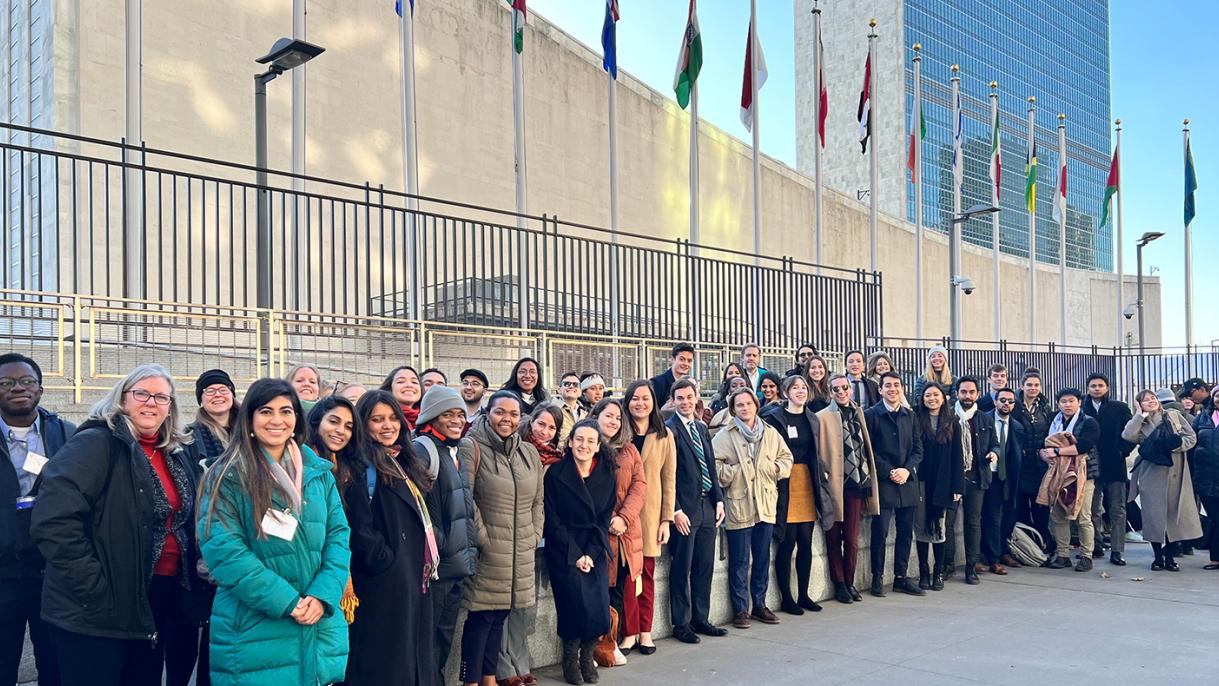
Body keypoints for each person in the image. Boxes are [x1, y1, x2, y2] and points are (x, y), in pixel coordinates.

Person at [33, 365, 209, 686]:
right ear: (122, 399)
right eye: (141, 393)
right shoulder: (96, 443)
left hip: (153, 600)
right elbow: (53, 519)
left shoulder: (171, 452)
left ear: (170, 407)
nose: (151, 403)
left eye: (161, 397)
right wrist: (94, 587)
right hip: (99, 606)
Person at [195, 377, 350, 686]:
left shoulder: (318, 473)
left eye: (286, 411)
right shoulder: (227, 474)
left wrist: (321, 596)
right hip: (256, 628)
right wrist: (288, 602)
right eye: (266, 411)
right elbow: (224, 552)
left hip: (318, 625)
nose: (277, 420)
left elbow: (339, 538)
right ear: (250, 418)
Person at [340, 390, 437, 686]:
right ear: (363, 424)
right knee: (386, 663)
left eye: (393, 418)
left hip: (411, 577)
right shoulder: (359, 465)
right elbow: (359, 526)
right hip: (384, 582)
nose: (388, 425)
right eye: (377, 419)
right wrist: (387, 561)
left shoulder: (401, 460)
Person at [0, 353, 74, 686]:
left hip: (52, 571)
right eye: (6, 382)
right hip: (3, 573)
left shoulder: (66, 434)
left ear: (41, 390)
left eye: (27, 381)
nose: (18, 388)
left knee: (56, 665)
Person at [462, 391, 544, 686]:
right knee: (480, 618)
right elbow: (465, 498)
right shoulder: (470, 447)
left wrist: (534, 534)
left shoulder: (529, 453)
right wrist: (483, 537)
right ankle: (469, 680)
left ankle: (489, 678)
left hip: (520, 549)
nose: (506, 419)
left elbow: (538, 501)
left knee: (500, 617)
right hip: (489, 550)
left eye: (513, 414)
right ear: (488, 413)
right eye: (500, 412)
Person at [544, 421, 617, 685]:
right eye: (579, 439)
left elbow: (605, 517)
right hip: (565, 547)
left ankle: (587, 657)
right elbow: (552, 520)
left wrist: (590, 553)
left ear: (598, 446)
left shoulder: (607, 474)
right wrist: (576, 554)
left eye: (590, 441)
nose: (584, 446)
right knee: (572, 605)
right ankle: (570, 660)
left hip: (594, 546)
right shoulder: (556, 474)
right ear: (570, 442)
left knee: (597, 606)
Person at [414, 387, 478, 686]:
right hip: (437, 568)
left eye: (459, 414)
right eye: (447, 414)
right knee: (428, 642)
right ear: (431, 417)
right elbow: (418, 510)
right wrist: (442, 542)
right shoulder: (422, 450)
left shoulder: (455, 451)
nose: (455, 420)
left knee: (443, 639)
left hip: (456, 566)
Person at [715, 389, 792, 628]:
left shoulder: (770, 432)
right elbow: (713, 465)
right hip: (739, 504)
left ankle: (760, 604)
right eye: (739, 405)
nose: (745, 408)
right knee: (739, 561)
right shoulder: (724, 435)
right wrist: (736, 472)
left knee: (762, 557)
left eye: (748, 403)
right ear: (733, 409)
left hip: (765, 504)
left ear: (756, 406)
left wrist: (773, 469)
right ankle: (741, 609)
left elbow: (786, 459)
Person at [762, 375, 830, 614]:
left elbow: (816, 451)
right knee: (786, 542)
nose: (800, 391)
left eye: (803, 387)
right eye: (795, 388)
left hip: (806, 482)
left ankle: (803, 594)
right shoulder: (772, 417)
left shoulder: (812, 418)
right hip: (785, 482)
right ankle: (786, 598)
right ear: (786, 392)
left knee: (805, 541)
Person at [665, 380, 726, 645]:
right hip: (685, 509)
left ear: (697, 398)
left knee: (704, 565)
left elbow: (710, 466)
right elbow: (667, 474)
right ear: (673, 400)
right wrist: (675, 509)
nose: (686, 402)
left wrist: (719, 500)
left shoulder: (701, 427)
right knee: (682, 566)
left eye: (690, 397)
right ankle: (681, 623)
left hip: (707, 506)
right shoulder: (670, 430)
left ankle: (701, 618)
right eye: (680, 398)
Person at [816, 375, 880, 604]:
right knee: (833, 537)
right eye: (836, 389)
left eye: (845, 388)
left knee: (852, 539)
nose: (842, 392)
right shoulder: (822, 417)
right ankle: (840, 583)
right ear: (830, 392)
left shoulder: (858, 412)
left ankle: (850, 581)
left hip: (856, 483)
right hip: (833, 485)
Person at [622, 380, 676, 654]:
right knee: (628, 578)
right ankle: (629, 632)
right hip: (624, 518)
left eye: (645, 398)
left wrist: (666, 519)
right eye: (634, 398)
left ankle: (646, 631)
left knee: (648, 576)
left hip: (651, 516)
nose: (639, 403)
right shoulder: (620, 433)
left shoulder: (664, 435)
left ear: (654, 402)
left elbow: (669, 479)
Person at [589, 399, 646, 656]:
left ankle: (611, 642)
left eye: (617, 417)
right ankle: (594, 645)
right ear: (596, 416)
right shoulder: (587, 446)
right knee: (598, 589)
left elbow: (639, 486)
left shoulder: (630, 450)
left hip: (625, 532)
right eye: (608, 416)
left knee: (619, 589)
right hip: (597, 532)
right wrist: (608, 518)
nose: (613, 421)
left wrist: (623, 517)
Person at [1122, 390, 1202, 572]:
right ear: (1139, 405)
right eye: (1145, 401)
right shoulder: (1140, 421)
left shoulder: (1173, 416)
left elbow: (1191, 437)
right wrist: (1139, 415)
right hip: (1151, 473)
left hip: (1175, 471)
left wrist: (1176, 446)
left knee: (1174, 517)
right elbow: (1128, 436)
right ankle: (1158, 557)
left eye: (1152, 398)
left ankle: (1171, 558)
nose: (1150, 402)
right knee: (1153, 517)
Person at [864, 372, 924, 597]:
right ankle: (877, 577)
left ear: (902, 389)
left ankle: (901, 577)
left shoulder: (910, 415)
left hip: (907, 480)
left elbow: (918, 449)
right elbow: (869, 451)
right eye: (887, 385)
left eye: (896, 385)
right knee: (879, 532)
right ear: (879, 390)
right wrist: (890, 471)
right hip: (884, 481)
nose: (892, 389)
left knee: (905, 532)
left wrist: (906, 470)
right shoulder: (871, 415)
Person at [1039, 388, 1101, 572]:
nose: (1067, 404)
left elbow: (1083, 446)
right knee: (1058, 515)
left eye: (1071, 401)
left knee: (1083, 516)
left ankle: (1086, 556)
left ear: (1079, 402)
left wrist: (1057, 451)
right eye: (1063, 401)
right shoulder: (1053, 420)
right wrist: (1045, 454)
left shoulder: (1089, 422)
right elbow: (1044, 443)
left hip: (1084, 474)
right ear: (1058, 403)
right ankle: (1063, 554)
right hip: (1058, 473)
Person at [913, 382, 963, 591]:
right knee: (921, 527)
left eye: (935, 395)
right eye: (927, 395)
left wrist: (957, 487)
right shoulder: (915, 419)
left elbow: (957, 457)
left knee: (940, 528)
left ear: (943, 398)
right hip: (921, 481)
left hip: (943, 483)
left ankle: (938, 572)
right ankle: (923, 571)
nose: (931, 399)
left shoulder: (952, 422)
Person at [1082, 373, 1134, 565]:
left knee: (1117, 509)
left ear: (1107, 388)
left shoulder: (1119, 408)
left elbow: (1131, 432)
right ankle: (1095, 544)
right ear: (1088, 388)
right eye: (1093, 385)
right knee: (1092, 508)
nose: (1096, 388)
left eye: (1100, 385)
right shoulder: (1082, 407)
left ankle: (1117, 550)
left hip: (1114, 464)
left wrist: (1123, 452)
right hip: (1090, 465)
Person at [952, 376, 998, 584]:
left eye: (971, 392)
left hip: (977, 475)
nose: (967, 396)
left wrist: (994, 453)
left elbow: (994, 444)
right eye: (963, 392)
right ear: (957, 393)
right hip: (953, 476)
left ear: (978, 394)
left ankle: (971, 567)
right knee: (948, 522)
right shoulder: (949, 417)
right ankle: (946, 566)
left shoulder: (985, 419)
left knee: (973, 523)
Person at [985, 388, 1026, 573]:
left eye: (1010, 401)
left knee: (1009, 514)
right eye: (1002, 400)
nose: (1006, 404)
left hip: (1009, 477)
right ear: (995, 402)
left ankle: (1002, 551)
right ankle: (992, 558)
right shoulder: (984, 420)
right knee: (992, 517)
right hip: (990, 475)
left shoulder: (1017, 426)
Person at [1013, 369, 1054, 548]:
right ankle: (1028, 545)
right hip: (1021, 465)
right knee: (1021, 508)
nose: (1033, 388)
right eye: (1029, 385)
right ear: (1022, 386)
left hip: (1040, 465)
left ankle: (1043, 542)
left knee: (1041, 507)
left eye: (1036, 385)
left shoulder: (1044, 407)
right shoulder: (1014, 405)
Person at [1191, 385, 1219, 569]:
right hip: (1206, 477)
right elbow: (1191, 444)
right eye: (1217, 395)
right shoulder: (1202, 418)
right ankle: (1215, 558)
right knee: (1215, 517)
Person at [189, 369, 239, 464]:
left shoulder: (249, 430)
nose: (218, 394)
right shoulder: (190, 436)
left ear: (232, 395)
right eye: (210, 391)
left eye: (223, 390)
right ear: (201, 400)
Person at [306, 396, 356, 468]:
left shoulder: (351, 468)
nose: (341, 431)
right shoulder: (300, 460)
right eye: (333, 421)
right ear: (317, 421)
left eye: (348, 427)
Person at [650, 343, 694, 412]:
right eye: (682, 359)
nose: (686, 364)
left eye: (689, 361)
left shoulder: (690, 384)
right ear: (672, 359)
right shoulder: (657, 383)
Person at [520, 403, 564, 468]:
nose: (544, 432)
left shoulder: (556, 457)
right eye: (541, 424)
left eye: (551, 428)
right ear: (532, 421)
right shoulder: (515, 444)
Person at [381, 365, 423, 432]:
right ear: (389, 388)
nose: (409, 385)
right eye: (401, 381)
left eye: (414, 382)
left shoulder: (429, 420)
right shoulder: (380, 418)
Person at [556, 372, 584, 446]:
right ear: (559, 390)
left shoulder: (586, 413)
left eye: (575, 385)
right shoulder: (551, 410)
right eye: (567, 384)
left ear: (580, 392)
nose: (571, 386)